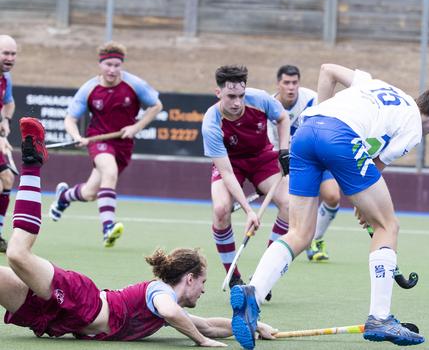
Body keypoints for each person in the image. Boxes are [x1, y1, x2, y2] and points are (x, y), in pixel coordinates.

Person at [229, 63, 429, 349]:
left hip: (306, 131)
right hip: (340, 139)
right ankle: (380, 317)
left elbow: (326, 70)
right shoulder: (413, 127)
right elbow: (375, 166)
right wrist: (365, 209)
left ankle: (254, 292)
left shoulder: (377, 83)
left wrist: (322, 118)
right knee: (387, 226)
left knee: (300, 233)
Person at [1, 117, 278, 346]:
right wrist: (200, 342)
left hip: (60, 319)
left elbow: (207, 325)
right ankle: (32, 163)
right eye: (203, 283)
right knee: (17, 253)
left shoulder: (167, 306)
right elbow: (176, 315)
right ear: (190, 279)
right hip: (81, 300)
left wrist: (254, 325)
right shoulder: (160, 293)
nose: (204, 291)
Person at [48, 41, 163, 248]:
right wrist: (76, 135)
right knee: (109, 172)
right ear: (100, 65)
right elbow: (69, 119)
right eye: (108, 65)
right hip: (99, 140)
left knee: (91, 193)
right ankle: (108, 228)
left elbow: (156, 105)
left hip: (124, 144)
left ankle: (64, 197)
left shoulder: (134, 84)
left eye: (117, 65)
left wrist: (136, 127)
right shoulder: (89, 89)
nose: (112, 70)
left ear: (122, 65)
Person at [201, 65, 290, 297]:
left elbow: (282, 118)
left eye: (241, 95)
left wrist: (284, 150)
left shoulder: (259, 99)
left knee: (289, 205)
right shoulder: (211, 123)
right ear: (218, 93)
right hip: (231, 163)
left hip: (262, 157)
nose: (237, 102)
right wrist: (250, 210)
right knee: (221, 210)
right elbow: (227, 173)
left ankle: (264, 274)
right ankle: (234, 275)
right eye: (231, 96)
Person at [268, 64, 339, 262]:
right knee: (293, 207)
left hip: (316, 156)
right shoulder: (270, 107)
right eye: (286, 83)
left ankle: (316, 238)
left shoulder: (312, 99)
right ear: (278, 84)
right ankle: (289, 242)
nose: (291, 87)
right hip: (289, 162)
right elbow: (271, 147)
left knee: (332, 196)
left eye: (294, 83)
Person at [0, 35, 18, 253]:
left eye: (13, 53)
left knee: (6, 178)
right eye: (5, 53)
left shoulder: (6, 78)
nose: (10, 58)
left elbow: (9, 103)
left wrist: (6, 121)